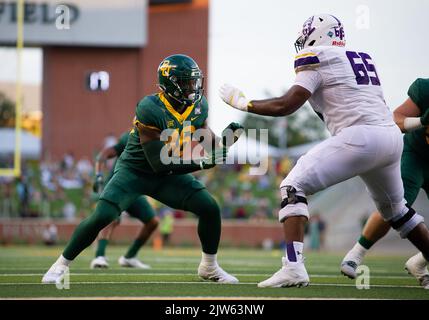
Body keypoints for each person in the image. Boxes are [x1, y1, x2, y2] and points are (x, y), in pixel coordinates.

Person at [219, 14, 429, 288]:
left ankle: (293, 267)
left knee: (292, 186)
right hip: (390, 137)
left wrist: (246, 104)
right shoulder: (361, 57)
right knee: (397, 210)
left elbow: (286, 105)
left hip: (361, 137)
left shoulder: (317, 55)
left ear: (317, 34)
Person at [42, 54, 242, 284]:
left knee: (209, 207)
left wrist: (225, 141)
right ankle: (60, 265)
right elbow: (158, 162)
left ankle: (209, 267)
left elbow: (208, 141)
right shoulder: (150, 108)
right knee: (103, 216)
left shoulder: (198, 107)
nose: (193, 87)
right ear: (171, 83)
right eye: (187, 82)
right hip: (135, 172)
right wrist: (202, 162)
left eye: (194, 81)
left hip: (165, 175)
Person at [341, 78, 429, 288]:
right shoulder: (425, 89)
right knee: (395, 204)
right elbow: (395, 120)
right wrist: (421, 121)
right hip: (415, 156)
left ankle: (419, 262)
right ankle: (356, 253)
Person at [90, 131, 159, 269]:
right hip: (118, 185)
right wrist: (98, 174)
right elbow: (105, 154)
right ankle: (99, 256)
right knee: (111, 218)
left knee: (152, 222)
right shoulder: (131, 136)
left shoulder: (162, 138)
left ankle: (129, 257)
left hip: (135, 189)